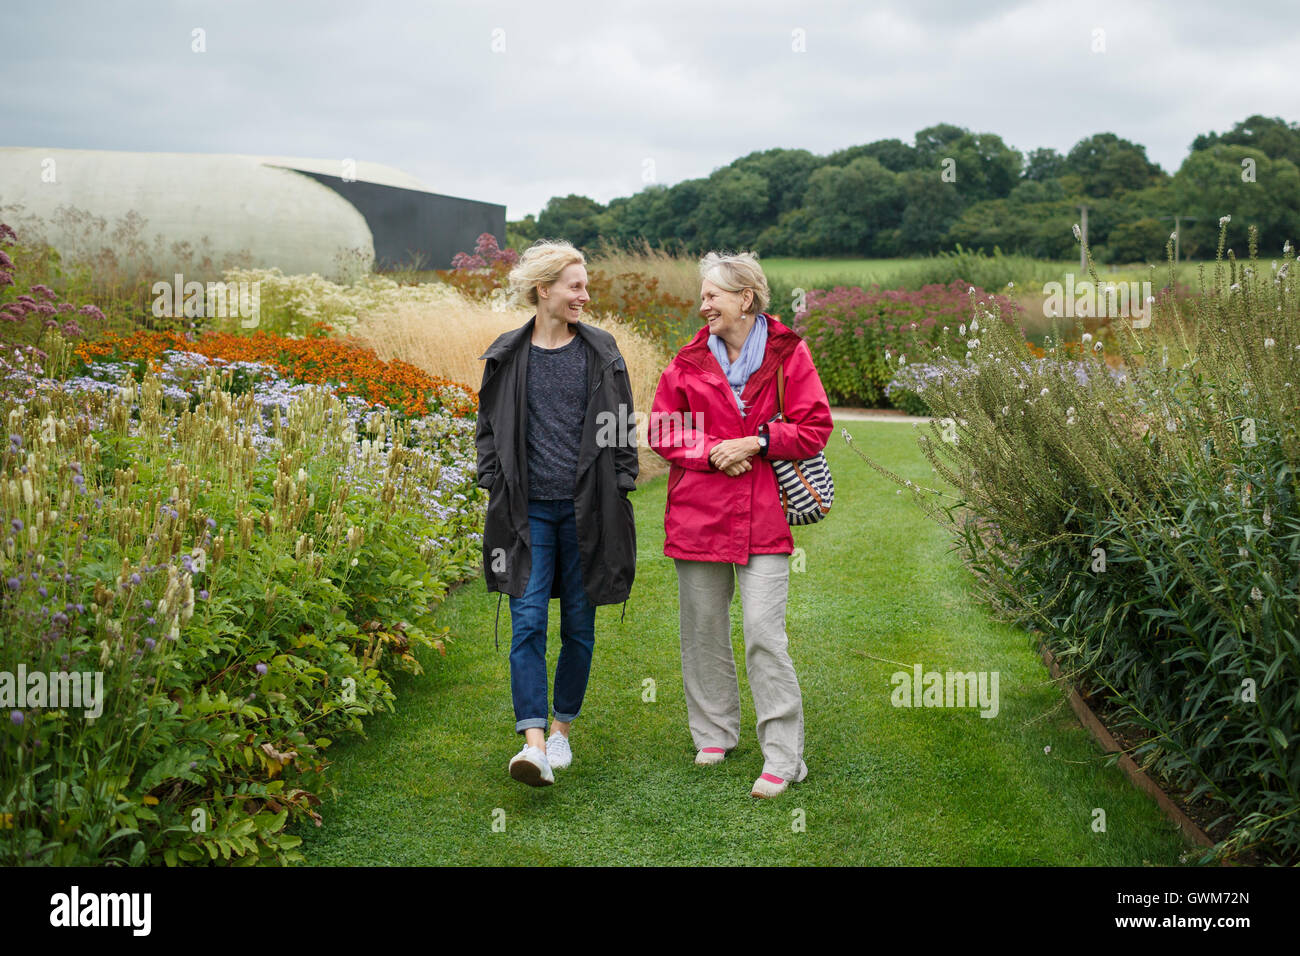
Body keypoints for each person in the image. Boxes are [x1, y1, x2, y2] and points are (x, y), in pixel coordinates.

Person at [649, 251, 831, 798]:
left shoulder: (789, 354)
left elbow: (815, 426)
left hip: (765, 516)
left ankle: (783, 757)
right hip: (698, 512)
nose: (702, 305)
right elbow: (663, 429)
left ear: (745, 299)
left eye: (713, 296)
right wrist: (713, 452)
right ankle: (714, 733)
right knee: (702, 629)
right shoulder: (685, 362)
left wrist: (757, 441)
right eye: (703, 295)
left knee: (763, 634)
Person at [476, 239, 638, 786]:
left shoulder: (601, 351)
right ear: (543, 290)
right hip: (527, 514)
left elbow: (622, 427)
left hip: (587, 512)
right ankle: (534, 745)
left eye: (585, 286)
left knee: (579, 625)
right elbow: (487, 430)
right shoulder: (506, 354)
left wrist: (621, 483)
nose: (584, 296)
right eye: (575, 286)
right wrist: (490, 479)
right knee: (527, 622)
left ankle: (562, 731)